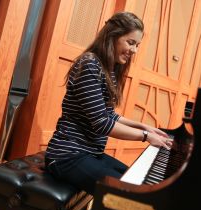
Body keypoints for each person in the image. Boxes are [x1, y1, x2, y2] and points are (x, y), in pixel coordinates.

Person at [45, 11, 173, 194]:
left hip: (90, 153)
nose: (134, 50)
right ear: (112, 36)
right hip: (67, 156)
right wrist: (145, 136)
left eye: (137, 45)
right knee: (128, 195)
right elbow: (101, 123)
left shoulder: (108, 69)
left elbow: (109, 115)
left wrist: (145, 127)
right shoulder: (89, 64)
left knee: (139, 182)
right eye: (131, 42)